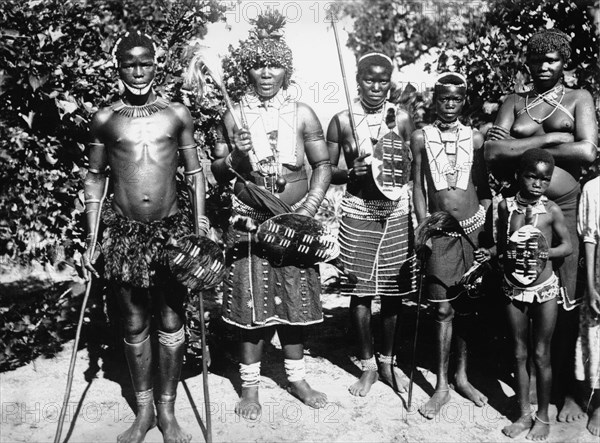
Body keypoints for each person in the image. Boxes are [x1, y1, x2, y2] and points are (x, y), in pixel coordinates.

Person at [82, 31, 208, 443]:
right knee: (134, 324)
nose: (138, 72)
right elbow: (95, 180)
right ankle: (143, 413)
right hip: (123, 234)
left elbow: (194, 174)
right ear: (117, 66)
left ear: (157, 63)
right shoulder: (105, 118)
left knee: (171, 320)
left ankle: (168, 413)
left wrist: (200, 225)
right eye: (129, 64)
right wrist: (92, 237)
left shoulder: (176, 114)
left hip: (171, 232)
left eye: (145, 63)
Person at [210, 15, 331, 420]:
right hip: (248, 223)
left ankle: (295, 377)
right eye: (258, 64)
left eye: (275, 64)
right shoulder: (233, 117)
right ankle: (249, 387)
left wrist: (308, 209)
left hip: (294, 219)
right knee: (251, 303)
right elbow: (219, 172)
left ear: (287, 71)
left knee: (295, 301)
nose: (266, 72)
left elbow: (323, 165)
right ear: (247, 70)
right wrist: (237, 156)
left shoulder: (302, 113)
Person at [485, 29, 598, 421]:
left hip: (565, 206)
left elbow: (586, 150)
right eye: (537, 59)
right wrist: (553, 136)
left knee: (564, 293)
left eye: (551, 59)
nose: (543, 66)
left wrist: (524, 147)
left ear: (564, 62)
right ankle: (528, 383)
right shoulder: (515, 101)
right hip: (522, 204)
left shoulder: (578, 98)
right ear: (528, 63)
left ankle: (567, 390)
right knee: (522, 277)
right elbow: (492, 151)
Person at [326, 52, 416, 396]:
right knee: (360, 290)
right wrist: (350, 172)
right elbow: (325, 168)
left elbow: (410, 163)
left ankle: (388, 362)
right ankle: (367, 368)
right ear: (357, 78)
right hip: (358, 209)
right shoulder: (342, 120)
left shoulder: (401, 118)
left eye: (383, 81)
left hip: (395, 211)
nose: (376, 87)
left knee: (392, 291)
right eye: (368, 80)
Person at [411, 72, 492, 419]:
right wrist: (422, 227)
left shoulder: (474, 138)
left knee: (469, 307)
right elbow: (417, 185)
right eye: (443, 99)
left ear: (464, 101)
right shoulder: (420, 137)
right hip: (440, 233)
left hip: (473, 230)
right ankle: (441, 386)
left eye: (456, 99)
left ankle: (462, 376)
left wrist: (485, 220)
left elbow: (484, 186)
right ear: (435, 100)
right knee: (442, 308)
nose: (449, 105)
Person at [494, 149, 571, 440]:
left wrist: (545, 252)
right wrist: (496, 254)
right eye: (531, 176)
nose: (538, 183)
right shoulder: (505, 207)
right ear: (519, 175)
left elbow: (567, 247)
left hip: (544, 289)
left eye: (544, 179)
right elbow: (504, 244)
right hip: (513, 287)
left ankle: (543, 418)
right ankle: (524, 415)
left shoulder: (550, 210)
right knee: (518, 351)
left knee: (541, 353)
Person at [575, 171, 600, 437]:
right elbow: (589, 239)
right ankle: (598, 403)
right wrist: (591, 287)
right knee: (597, 337)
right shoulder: (594, 188)